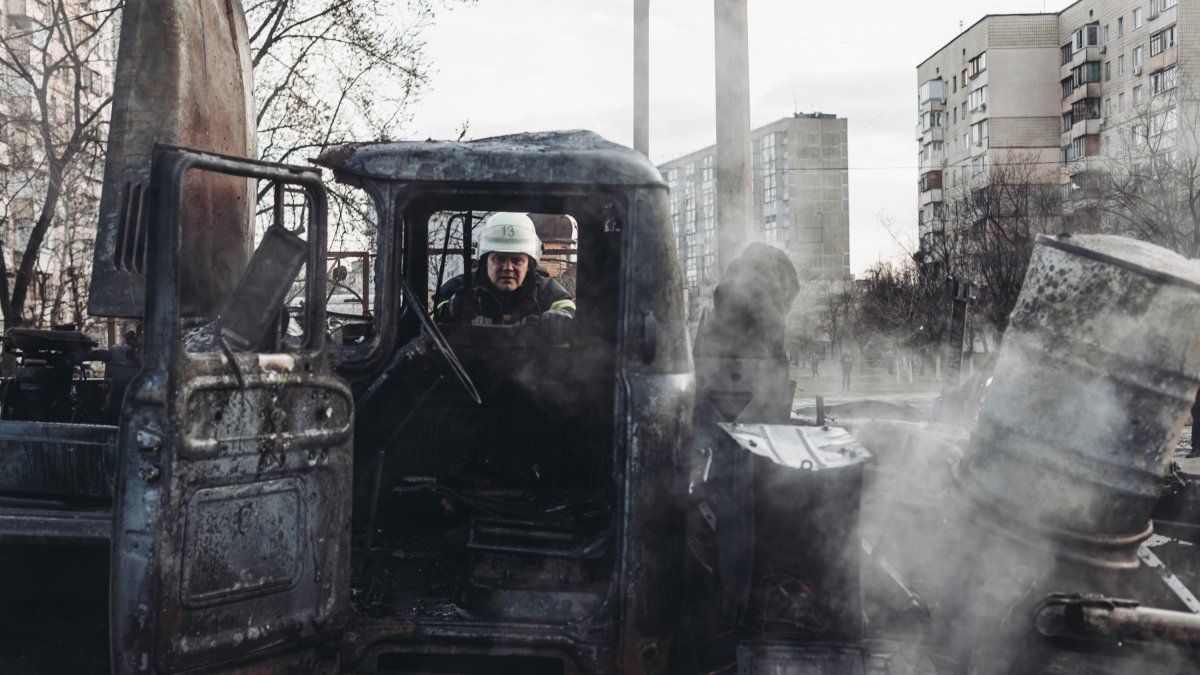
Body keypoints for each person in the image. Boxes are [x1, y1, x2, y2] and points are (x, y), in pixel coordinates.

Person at [436, 212, 575, 326]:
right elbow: (426, 322)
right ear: (485, 262)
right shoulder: (460, 289)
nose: (508, 268)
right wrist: (449, 311)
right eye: (499, 259)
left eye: (517, 260)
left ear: (529, 266)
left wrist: (560, 318)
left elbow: (572, 315)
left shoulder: (547, 292)